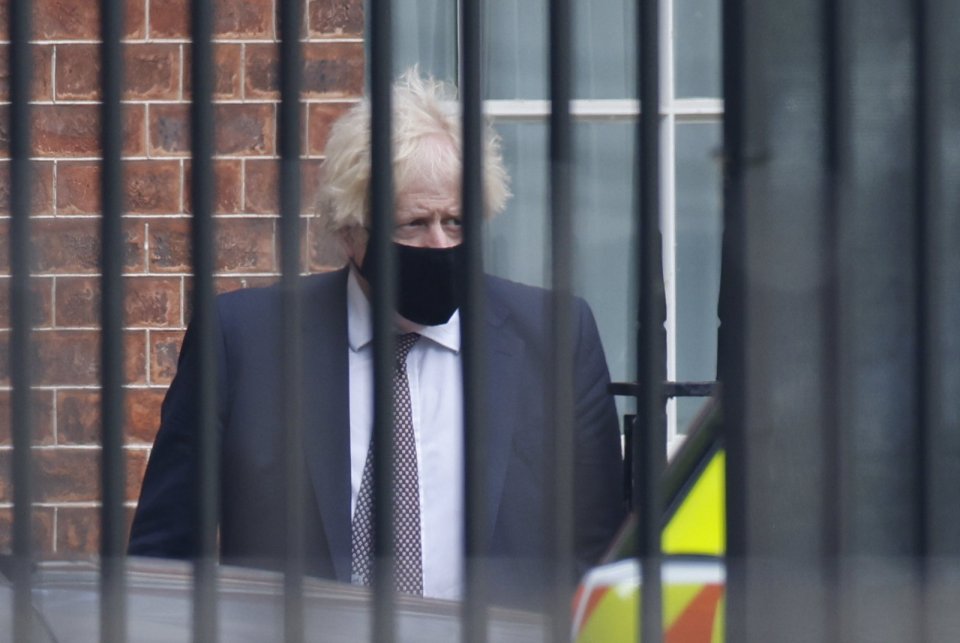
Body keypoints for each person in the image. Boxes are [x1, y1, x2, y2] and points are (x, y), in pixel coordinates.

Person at [128, 72, 624, 608]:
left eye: (457, 221)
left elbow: (600, 552)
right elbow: (164, 556)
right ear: (350, 231)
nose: (440, 243)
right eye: (413, 224)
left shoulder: (552, 337)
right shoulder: (245, 340)